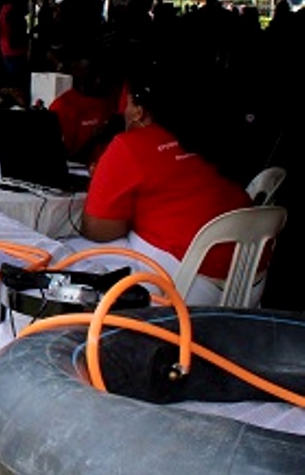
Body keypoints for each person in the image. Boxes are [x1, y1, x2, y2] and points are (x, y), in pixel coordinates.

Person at [76, 62, 252, 305]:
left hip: (192, 287)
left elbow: (96, 230)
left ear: (138, 110)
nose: (124, 111)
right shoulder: (204, 138)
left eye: (127, 103)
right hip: (250, 280)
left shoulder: (130, 145)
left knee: (76, 251)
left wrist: (104, 187)